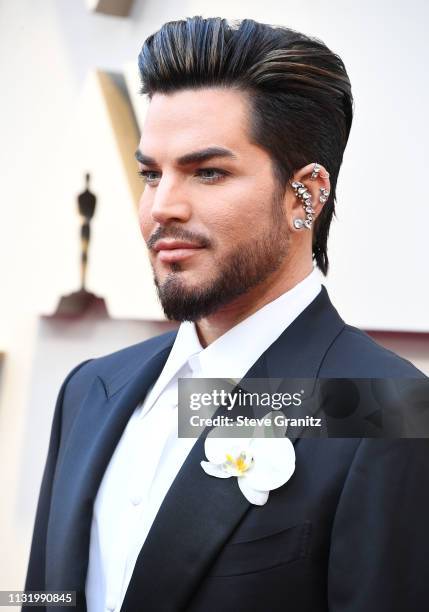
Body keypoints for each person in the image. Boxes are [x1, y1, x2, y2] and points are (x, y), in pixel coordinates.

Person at [24, 16, 428, 612]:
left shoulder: (387, 409)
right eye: (151, 174)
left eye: (206, 171)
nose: (162, 208)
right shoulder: (90, 390)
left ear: (306, 196)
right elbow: (47, 597)